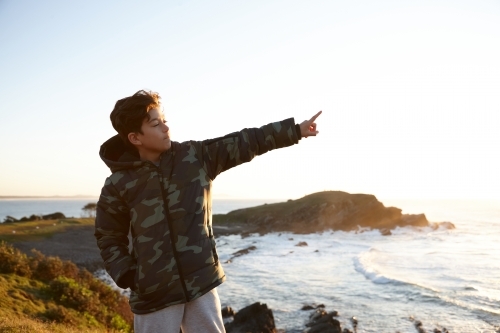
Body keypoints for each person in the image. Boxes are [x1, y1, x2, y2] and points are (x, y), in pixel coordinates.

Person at [94, 90, 321, 333]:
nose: (166, 128)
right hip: (154, 292)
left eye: (164, 121)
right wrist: (129, 275)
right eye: (156, 124)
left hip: (200, 282)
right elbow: (108, 237)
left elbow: (244, 142)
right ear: (135, 138)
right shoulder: (118, 184)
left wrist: (294, 131)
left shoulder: (195, 157)